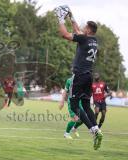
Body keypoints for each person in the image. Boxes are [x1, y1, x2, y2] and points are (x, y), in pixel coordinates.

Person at [54, 5, 102, 150]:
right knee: (86, 106)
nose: (82, 28)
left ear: (88, 30)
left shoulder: (83, 38)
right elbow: (78, 31)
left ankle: (92, 131)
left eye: (84, 27)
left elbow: (65, 34)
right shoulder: (93, 41)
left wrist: (60, 18)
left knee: (74, 107)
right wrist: (71, 16)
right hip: (88, 77)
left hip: (79, 76)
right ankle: (96, 130)